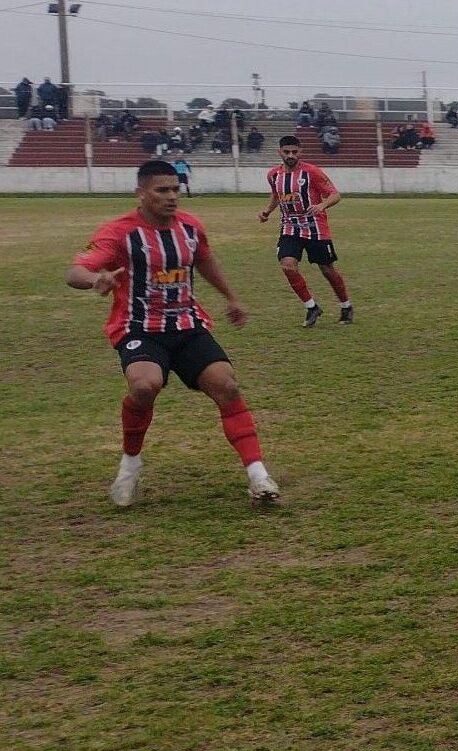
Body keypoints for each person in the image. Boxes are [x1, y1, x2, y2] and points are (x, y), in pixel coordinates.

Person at [68, 160, 280, 507]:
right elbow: (75, 271)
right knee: (144, 386)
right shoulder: (119, 232)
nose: (171, 197)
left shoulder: (191, 226)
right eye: (162, 190)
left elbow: (204, 260)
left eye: (175, 190)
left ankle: (258, 476)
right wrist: (96, 279)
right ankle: (130, 466)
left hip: (187, 325)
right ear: (141, 193)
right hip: (139, 328)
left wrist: (231, 298)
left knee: (227, 385)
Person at [260, 136, 352, 327]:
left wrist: (322, 205)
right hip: (289, 227)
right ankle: (311, 307)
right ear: (280, 152)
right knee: (287, 266)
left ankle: (346, 305)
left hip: (315, 228)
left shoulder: (312, 172)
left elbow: (335, 195)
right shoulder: (273, 175)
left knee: (327, 269)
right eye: (287, 152)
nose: (291, 155)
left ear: (300, 152)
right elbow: (276, 194)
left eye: (295, 152)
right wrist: (267, 211)